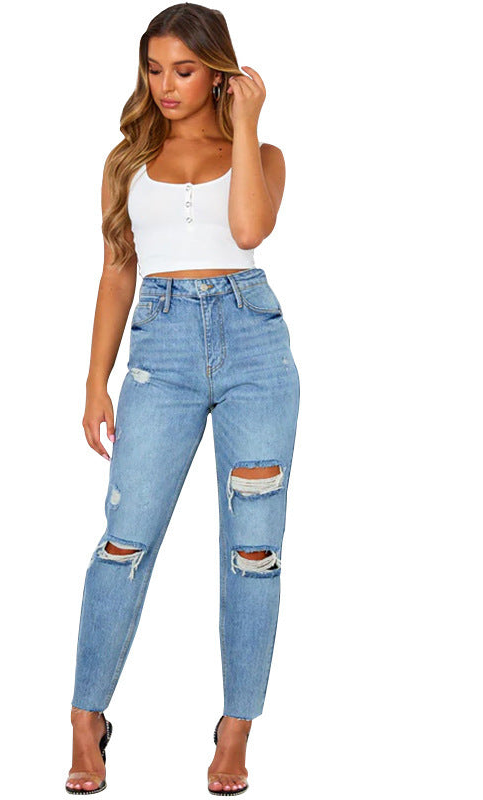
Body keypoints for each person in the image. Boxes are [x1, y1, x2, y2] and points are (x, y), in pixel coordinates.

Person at [66, 4, 300, 795]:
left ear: (219, 72)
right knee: (124, 541)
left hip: (254, 350)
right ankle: (86, 718)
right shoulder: (126, 161)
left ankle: (236, 729)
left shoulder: (262, 153)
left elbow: (248, 231)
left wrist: (247, 121)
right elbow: (117, 271)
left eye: (186, 70)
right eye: (155, 69)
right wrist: (95, 380)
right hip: (158, 354)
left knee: (253, 550)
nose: (167, 85)